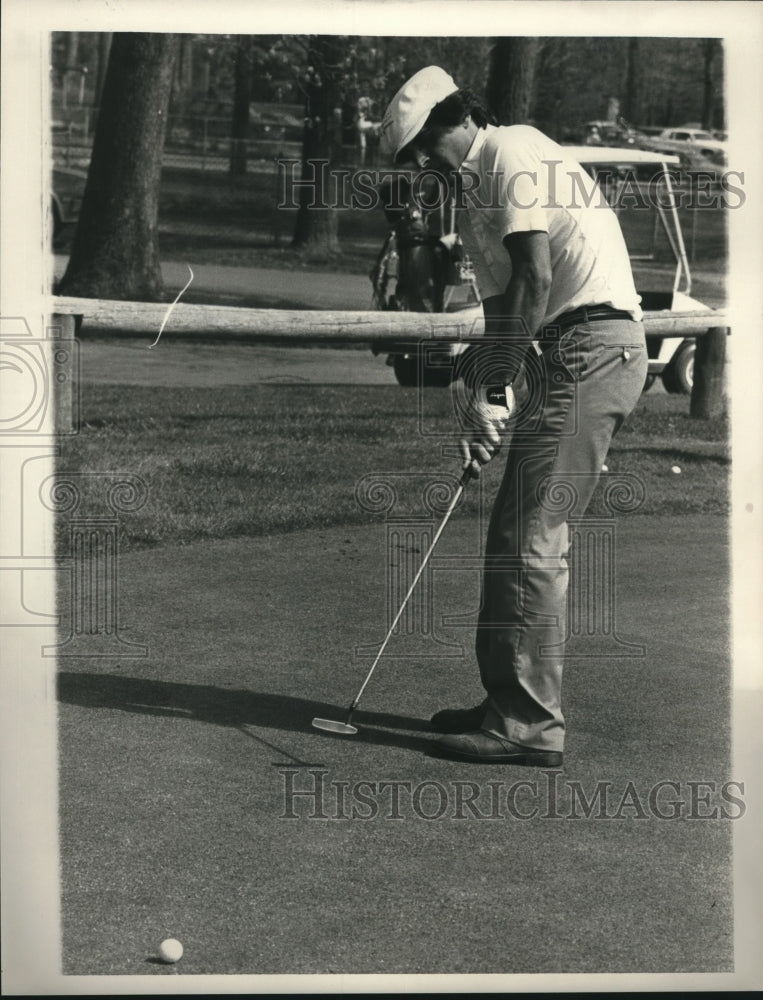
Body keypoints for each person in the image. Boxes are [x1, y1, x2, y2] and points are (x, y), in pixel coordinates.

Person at [380, 67, 648, 766]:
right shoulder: (470, 190)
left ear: (456, 122)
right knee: (512, 531)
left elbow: (534, 276)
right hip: (565, 351)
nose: (417, 165)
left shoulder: (510, 151)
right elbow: (503, 307)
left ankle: (527, 726)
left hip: (592, 345)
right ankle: (506, 700)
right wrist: (484, 396)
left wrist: (499, 386)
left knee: (533, 536)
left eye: (421, 147)